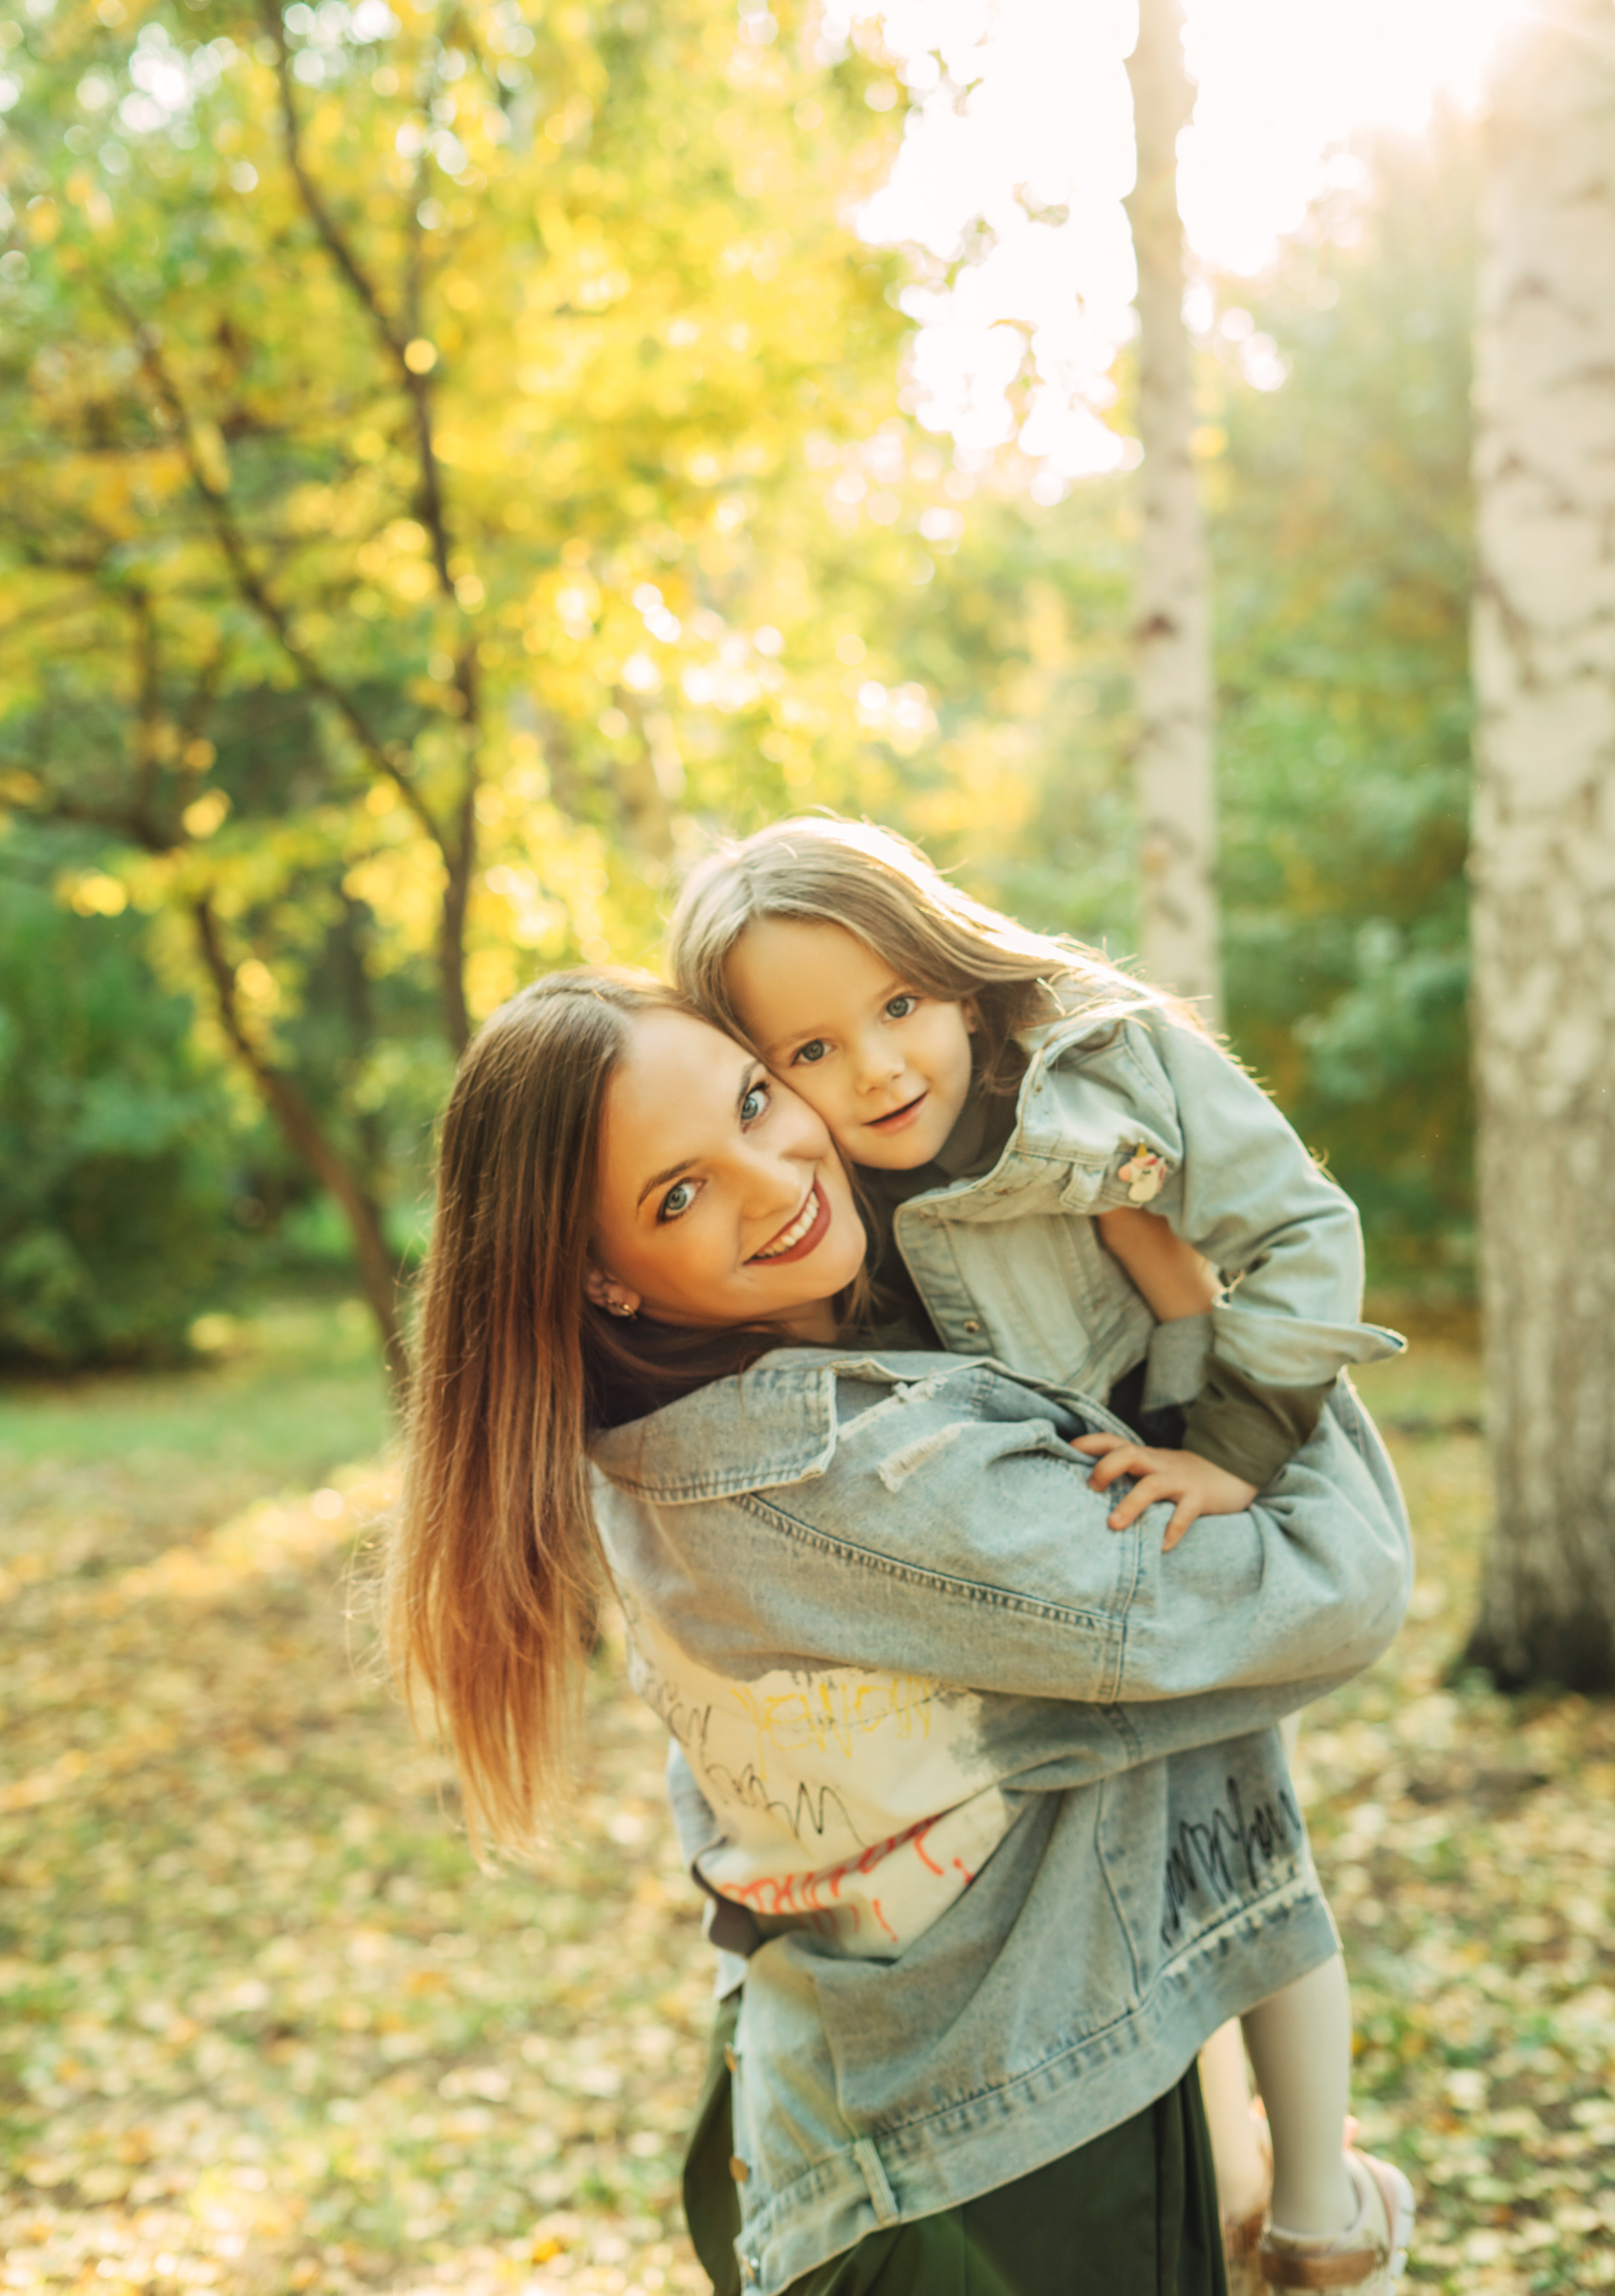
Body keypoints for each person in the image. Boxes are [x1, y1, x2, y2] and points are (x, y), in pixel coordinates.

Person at [390, 967, 1415, 2296]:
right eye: (679, 1193)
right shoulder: (838, 1473)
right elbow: (1325, 1592)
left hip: (884, 2115)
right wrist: (1227, 1338)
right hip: (1006, 2174)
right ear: (601, 1276)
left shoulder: (665, 1436)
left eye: (758, 1097)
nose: (773, 1175)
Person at [668, 817, 1412, 2285]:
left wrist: (1237, 1439)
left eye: (898, 1006)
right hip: (1041, 1550)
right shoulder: (816, 1187)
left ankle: (1320, 2208)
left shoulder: (1106, 1060)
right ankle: (1255, 2182)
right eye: (808, 1053)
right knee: (1155, 1863)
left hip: (1181, 1455)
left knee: (1250, 1828)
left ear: (955, 968)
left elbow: (1297, 1228)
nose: (876, 1070)